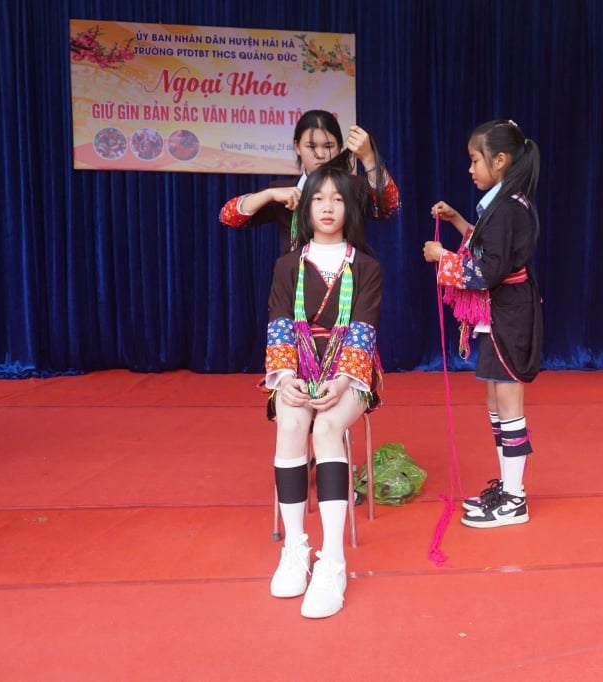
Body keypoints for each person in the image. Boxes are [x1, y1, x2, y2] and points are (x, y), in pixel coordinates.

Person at [264, 164, 383, 618]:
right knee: (292, 421)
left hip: (348, 373)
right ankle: (295, 547)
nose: (328, 207)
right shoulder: (287, 265)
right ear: (306, 208)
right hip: (296, 367)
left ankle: (332, 559)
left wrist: (341, 381)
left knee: (328, 426)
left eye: (337, 199)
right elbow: (278, 324)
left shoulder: (367, 267)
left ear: (350, 207)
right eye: (319, 199)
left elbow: (363, 328)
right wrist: (284, 377)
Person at [423, 119, 543, 528]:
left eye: (475, 160)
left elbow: (488, 270)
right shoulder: (503, 205)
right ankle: (508, 490)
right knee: (496, 402)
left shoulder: (508, 208)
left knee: (509, 404)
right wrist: (458, 221)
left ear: (501, 160)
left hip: (508, 313)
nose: (471, 169)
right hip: (501, 313)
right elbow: (491, 249)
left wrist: (444, 258)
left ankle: (515, 499)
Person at [219, 109, 400, 253]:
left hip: (347, 287)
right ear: (297, 147)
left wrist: (368, 158)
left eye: (328, 146)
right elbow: (228, 217)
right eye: (311, 146)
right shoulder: (283, 192)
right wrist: (269, 194)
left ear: (340, 147)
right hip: (296, 289)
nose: (320, 155)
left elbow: (391, 208)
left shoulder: (355, 187)